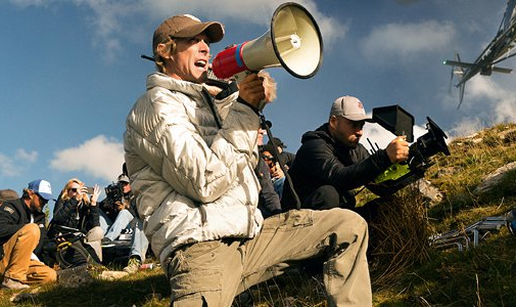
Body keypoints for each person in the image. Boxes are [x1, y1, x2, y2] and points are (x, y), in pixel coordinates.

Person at [123, 14, 371, 306]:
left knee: (347, 227)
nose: (206, 48)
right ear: (165, 51)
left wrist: (242, 103)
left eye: (207, 42)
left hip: (248, 237)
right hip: (201, 250)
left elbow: (240, 166)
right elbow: (204, 180)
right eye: (194, 40)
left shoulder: (213, 102)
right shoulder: (154, 106)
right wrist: (243, 111)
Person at [281, 95, 410, 220]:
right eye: (354, 125)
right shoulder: (314, 146)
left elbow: (378, 185)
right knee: (328, 194)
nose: (360, 132)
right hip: (300, 219)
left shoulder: (356, 149)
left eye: (361, 125)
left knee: (389, 206)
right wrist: (385, 156)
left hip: (340, 215)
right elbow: (340, 177)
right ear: (333, 122)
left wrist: (409, 166)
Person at [0, 180, 57, 290]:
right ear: (31, 194)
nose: (45, 202)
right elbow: (1, 230)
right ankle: (12, 279)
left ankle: (10, 279)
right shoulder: (11, 206)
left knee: (50, 276)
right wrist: (26, 228)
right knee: (32, 228)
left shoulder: (40, 216)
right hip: (4, 257)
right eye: (42, 198)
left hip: (24, 262)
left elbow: (43, 243)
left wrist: (55, 245)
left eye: (47, 200)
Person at [98, 174, 149, 273]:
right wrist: (110, 204)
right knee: (98, 211)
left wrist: (126, 207)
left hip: (134, 227)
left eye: (125, 184)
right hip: (116, 229)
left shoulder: (137, 195)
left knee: (125, 213)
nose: (123, 186)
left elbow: (141, 216)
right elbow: (101, 208)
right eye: (121, 184)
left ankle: (109, 238)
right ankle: (105, 240)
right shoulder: (116, 195)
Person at [49, 178, 103, 264]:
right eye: (74, 190)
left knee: (98, 231)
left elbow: (95, 225)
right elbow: (58, 218)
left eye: (79, 190)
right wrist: (74, 200)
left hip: (81, 237)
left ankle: (97, 265)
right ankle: (94, 265)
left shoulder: (84, 206)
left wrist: (93, 204)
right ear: (67, 191)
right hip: (64, 236)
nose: (76, 193)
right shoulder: (62, 201)